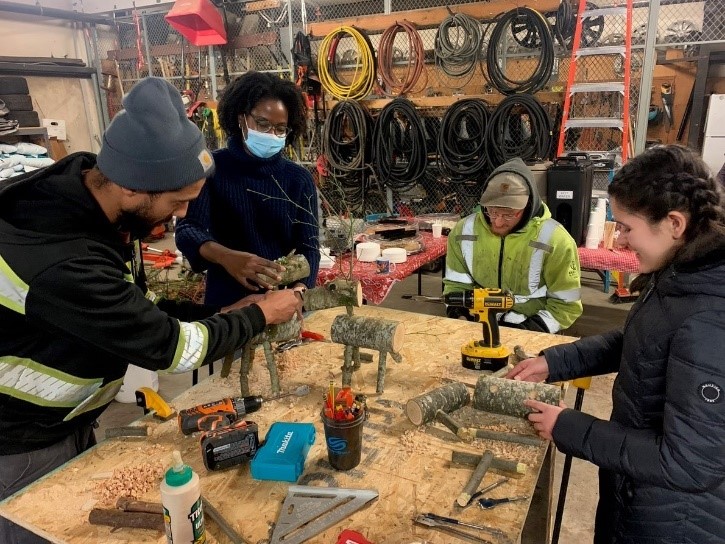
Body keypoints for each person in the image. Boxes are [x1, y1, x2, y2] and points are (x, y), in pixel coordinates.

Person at [0, 77, 300, 543]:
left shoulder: (95, 210)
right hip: (16, 442)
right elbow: (170, 349)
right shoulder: (60, 259)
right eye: (177, 202)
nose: (181, 216)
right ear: (131, 187)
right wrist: (262, 315)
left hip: (67, 423)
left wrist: (225, 312)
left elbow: (136, 309)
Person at [509, 144, 725, 544]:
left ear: (674, 223)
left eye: (626, 227)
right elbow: (637, 344)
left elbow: (689, 463)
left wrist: (569, 426)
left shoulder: (710, 318)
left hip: (672, 521)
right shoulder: (680, 273)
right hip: (635, 492)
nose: (620, 241)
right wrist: (555, 362)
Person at [175, 71, 320, 308]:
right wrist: (227, 257)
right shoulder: (212, 169)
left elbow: (309, 247)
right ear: (242, 119)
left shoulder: (298, 180)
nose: (272, 134)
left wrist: (299, 293)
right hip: (226, 304)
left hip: (280, 300)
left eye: (281, 129)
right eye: (263, 124)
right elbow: (188, 230)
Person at [443, 157, 582, 333]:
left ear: (529, 205)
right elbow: (455, 286)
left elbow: (566, 306)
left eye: (509, 214)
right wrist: (460, 318)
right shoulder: (463, 231)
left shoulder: (556, 240)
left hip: (533, 326)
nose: (498, 222)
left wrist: (526, 331)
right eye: (492, 211)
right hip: (476, 324)